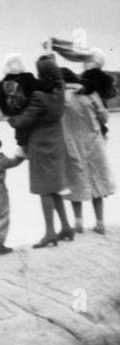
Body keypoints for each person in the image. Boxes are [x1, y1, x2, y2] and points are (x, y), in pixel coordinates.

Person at [7, 54, 70, 247]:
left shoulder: (39, 95)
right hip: (56, 140)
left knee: (44, 190)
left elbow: (24, 120)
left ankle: (50, 232)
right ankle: (66, 226)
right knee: (55, 187)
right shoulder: (60, 91)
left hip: (41, 144)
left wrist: (11, 118)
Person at [61, 58, 116, 235]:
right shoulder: (90, 93)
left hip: (70, 142)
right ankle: (100, 222)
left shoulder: (60, 97)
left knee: (75, 181)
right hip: (93, 140)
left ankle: (78, 222)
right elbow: (104, 117)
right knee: (97, 179)